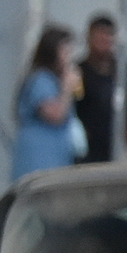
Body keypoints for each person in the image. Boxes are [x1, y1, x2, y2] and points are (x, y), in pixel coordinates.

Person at [10, 25, 79, 178]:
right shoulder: (41, 80)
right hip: (40, 160)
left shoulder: (55, 81)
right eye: (65, 51)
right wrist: (66, 89)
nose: (69, 57)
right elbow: (54, 114)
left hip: (56, 158)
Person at [73, 13, 127, 163]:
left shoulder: (123, 70)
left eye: (107, 37)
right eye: (98, 37)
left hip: (112, 148)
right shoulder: (79, 71)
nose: (103, 42)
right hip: (84, 151)